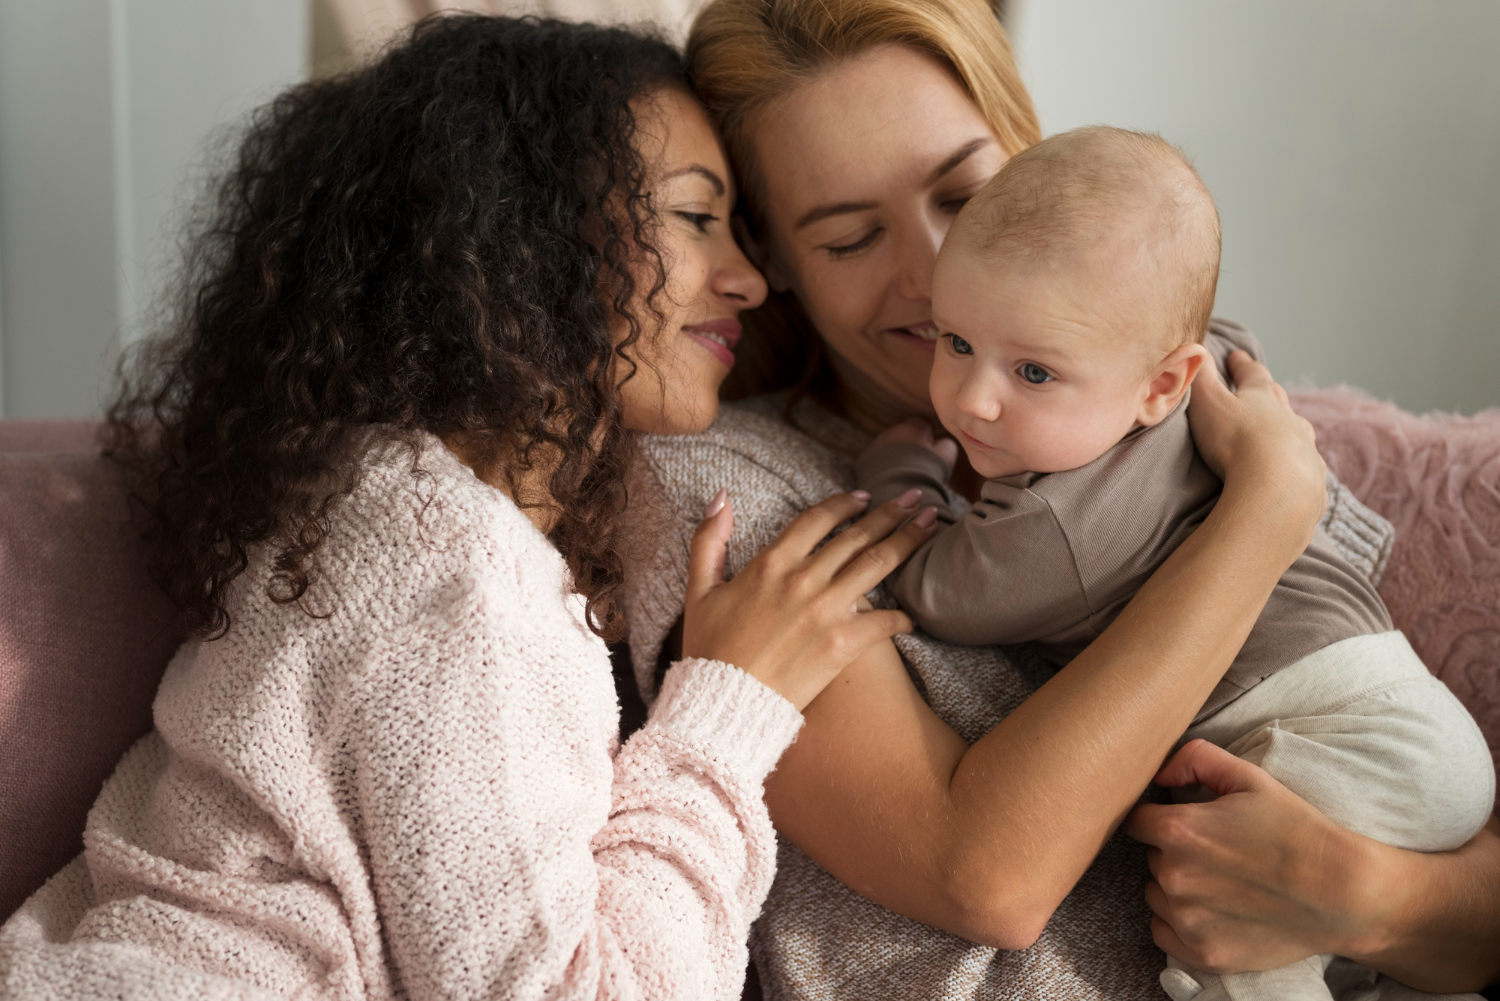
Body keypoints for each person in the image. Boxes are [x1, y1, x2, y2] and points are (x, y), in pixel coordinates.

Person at [0, 16, 939, 999]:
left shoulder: (398, 508)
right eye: (696, 218)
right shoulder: (452, 557)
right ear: (527, 233)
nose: (745, 279)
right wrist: (730, 704)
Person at [619, 0, 1500, 996]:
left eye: (963, 192)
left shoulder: (1176, 401)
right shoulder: (729, 489)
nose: (936, 269)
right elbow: (985, 875)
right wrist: (1262, 517)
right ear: (770, 259)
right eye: (852, 237)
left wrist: (1372, 894)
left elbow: (1469, 895)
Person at [853, 125, 1493, 1000]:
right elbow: (1214, 327)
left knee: (1228, 950)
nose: (972, 398)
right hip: (1418, 727)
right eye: (954, 341)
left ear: (1162, 383)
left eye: (1034, 371)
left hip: (1330, 733)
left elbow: (935, 588)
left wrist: (906, 465)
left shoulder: (1052, 521)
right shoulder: (1209, 374)